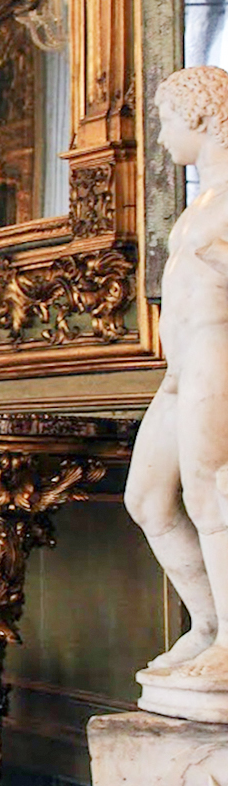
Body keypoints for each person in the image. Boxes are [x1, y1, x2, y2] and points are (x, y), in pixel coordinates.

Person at [127, 66, 228, 683]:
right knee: (146, 497)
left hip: (217, 355)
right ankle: (209, 623)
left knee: (209, 490)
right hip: (182, 367)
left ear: (200, 116)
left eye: (166, 121)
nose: (162, 137)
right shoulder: (203, 203)